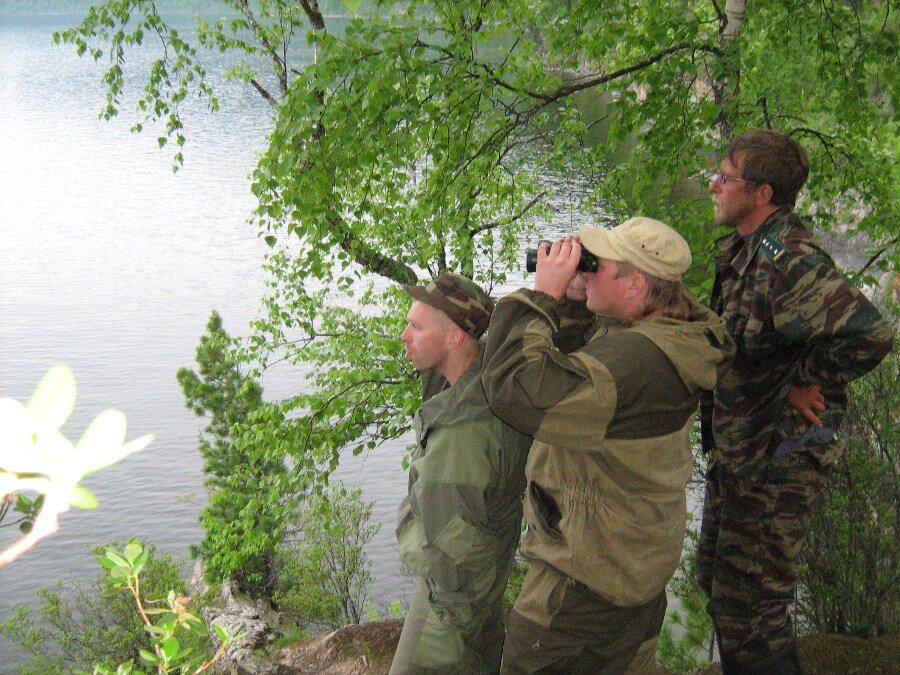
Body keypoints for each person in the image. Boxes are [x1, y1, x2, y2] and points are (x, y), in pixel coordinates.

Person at [481, 218, 734, 673]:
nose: (585, 269)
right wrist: (579, 303)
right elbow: (587, 370)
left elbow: (516, 390)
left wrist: (541, 298)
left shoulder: (634, 362)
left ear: (636, 285)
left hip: (582, 589)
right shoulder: (669, 340)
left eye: (597, 265)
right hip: (634, 567)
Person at [698, 129, 893, 673]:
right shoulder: (746, 249)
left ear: (761, 194)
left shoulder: (790, 260)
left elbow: (870, 333)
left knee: (754, 612)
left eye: (725, 177)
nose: (713, 185)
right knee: (721, 589)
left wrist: (807, 380)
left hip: (778, 456)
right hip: (745, 448)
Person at [389, 273, 533, 675]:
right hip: (473, 592)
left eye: (416, 327)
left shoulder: (463, 435)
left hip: (451, 607)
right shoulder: (486, 382)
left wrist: (453, 620)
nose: (404, 336)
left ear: (454, 340)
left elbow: (452, 553)